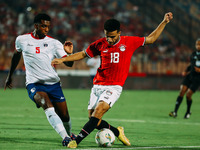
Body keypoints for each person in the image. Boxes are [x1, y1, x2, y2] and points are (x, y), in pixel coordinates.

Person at [52, 12, 173, 148]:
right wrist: (63, 59)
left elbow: (150, 39)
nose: (109, 39)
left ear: (119, 33)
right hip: (97, 85)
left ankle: (76, 141)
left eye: (112, 37)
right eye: (107, 36)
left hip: (114, 86)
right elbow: (82, 54)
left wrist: (164, 22)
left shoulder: (129, 42)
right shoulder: (100, 44)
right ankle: (117, 131)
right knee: (94, 120)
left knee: (98, 113)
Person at [4, 13, 75, 146]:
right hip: (34, 84)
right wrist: (10, 76)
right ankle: (65, 138)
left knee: (65, 116)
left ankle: (69, 134)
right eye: (43, 26)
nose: (46, 29)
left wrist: (69, 53)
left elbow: (69, 64)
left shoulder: (54, 43)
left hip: (53, 84)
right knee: (47, 106)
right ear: (36, 26)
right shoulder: (22, 40)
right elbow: (16, 56)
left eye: (48, 27)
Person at [169, 38, 200, 119]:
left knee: (188, 95)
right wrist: (186, 71)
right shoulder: (193, 54)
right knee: (182, 91)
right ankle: (175, 112)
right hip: (190, 76)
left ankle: (188, 111)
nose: (198, 46)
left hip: (197, 78)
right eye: (197, 44)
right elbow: (191, 65)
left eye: (199, 44)